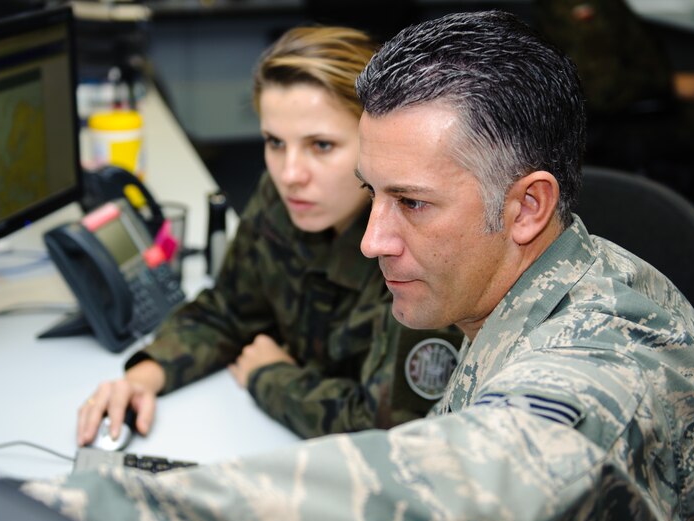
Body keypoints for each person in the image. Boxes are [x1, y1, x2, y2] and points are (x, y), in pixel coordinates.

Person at [24, 10, 694, 521]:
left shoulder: (604, 363)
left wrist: (76, 517)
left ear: (527, 206)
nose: (372, 239)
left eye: (412, 202)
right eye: (372, 190)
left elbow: (462, 495)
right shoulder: (505, 290)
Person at [77, 25, 462, 445]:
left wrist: (270, 377)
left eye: (321, 145)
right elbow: (229, 311)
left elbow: (386, 428)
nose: (290, 174)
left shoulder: (415, 246)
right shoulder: (285, 201)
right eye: (274, 143)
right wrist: (143, 377)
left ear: (375, 145)